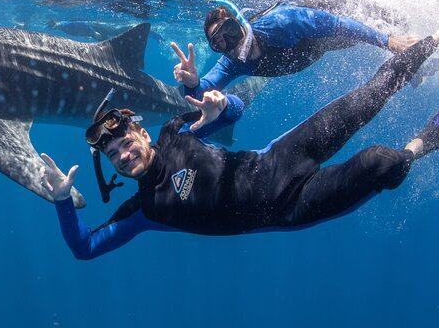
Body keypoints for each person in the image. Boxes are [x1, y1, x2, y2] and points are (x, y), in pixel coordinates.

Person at [40, 31, 439, 260]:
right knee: (382, 163)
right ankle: (424, 141)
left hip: (283, 156)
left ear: (142, 134)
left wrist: (218, 104)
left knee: (370, 94)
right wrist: (60, 199)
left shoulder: (175, 133)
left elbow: (235, 111)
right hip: (292, 207)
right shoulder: (143, 211)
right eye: (114, 157)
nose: (123, 157)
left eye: (124, 144)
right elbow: (85, 247)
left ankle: (434, 37)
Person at [172, 1, 421, 100]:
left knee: (366, 22)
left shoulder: (282, 23)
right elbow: (203, 89)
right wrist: (192, 83)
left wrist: (387, 41)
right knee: (355, 39)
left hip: (322, 12)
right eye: (220, 43)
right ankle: (410, 58)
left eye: (231, 33)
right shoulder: (233, 63)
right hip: (320, 48)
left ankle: (405, 38)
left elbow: (337, 24)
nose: (231, 44)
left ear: (241, 24)